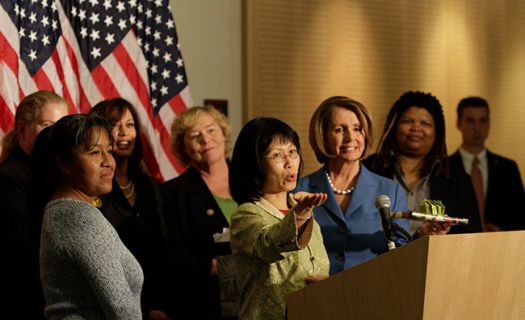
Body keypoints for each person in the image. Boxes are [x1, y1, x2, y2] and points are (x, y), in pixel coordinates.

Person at [37, 113, 143, 319]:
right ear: (63, 163)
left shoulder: (63, 210)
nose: (108, 162)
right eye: (95, 152)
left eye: (109, 151)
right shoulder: (79, 218)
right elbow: (122, 310)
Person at [295, 96, 415, 275]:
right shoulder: (299, 190)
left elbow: (402, 252)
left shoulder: (390, 191)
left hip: (372, 295)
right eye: (339, 130)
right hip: (314, 295)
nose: (350, 137)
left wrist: (423, 236)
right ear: (323, 136)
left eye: (357, 129)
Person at [229, 117, 329, 320]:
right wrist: (300, 215)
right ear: (255, 163)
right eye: (277, 155)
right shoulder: (247, 214)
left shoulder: (304, 211)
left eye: (292, 152)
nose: (289, 162)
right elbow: (268, 244)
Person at [90, 98, 172, 319]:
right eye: (115, 124)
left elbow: (163, 249)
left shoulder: (148, 185)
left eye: (130, 125)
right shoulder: (92, 188)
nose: (124, 132)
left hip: (158, 302)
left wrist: (161, 305)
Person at [366, 91, 482, 235]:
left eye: (425, 123)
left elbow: (471, 234)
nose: (416, 128)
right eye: (407, 121)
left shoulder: (458, 180)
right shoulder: (367, 170)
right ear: (394, 126)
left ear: (437, 132)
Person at [160, 106, 237, 319]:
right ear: (183, 148)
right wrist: (230, 268)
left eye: (211, 130)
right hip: (205, 303)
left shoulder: (252, 181)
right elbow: (174, 253)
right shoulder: (172, 194)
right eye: (195, 135)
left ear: (223, 133)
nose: (205, 139)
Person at [0, 90, 68, 319]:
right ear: (22, 130)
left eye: (61, 127)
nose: (56, 135)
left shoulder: (56, 175)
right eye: (47, 125)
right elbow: (25, 248)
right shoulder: (9, 178)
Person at [449, 97, 525, 231]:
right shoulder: (444, 167)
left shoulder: (508, 168)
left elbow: (521, 216)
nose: (477, 128)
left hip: (503, 245)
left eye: (483, 121)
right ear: (459, 124)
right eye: (471, 121)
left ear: (489, 123)